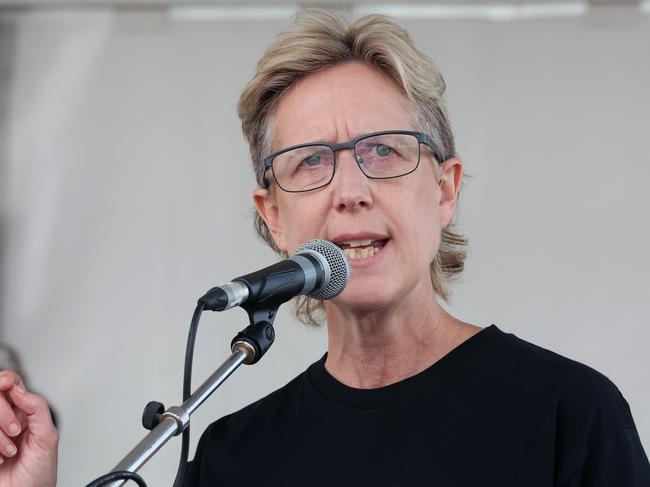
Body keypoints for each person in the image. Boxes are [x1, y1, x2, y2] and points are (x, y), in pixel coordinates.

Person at [1, 8, 649, 487]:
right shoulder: (229, 456)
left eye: (383, 151)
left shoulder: (569, 414)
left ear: (445, 189)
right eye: (311, 161)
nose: (350, 189)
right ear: (273, 215)